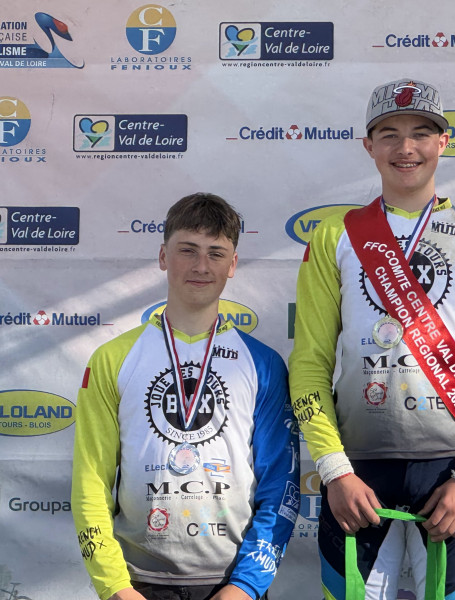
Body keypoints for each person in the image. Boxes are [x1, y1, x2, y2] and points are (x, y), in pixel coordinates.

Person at [289, 78, 455, 599]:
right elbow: (309, 365)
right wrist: (333, 470)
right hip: (356, 474)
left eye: (421, 133)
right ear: (368, 145)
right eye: (389, 134)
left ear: (443, 142)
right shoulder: (334, 236)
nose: (406, 147)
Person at [71, 193, 299, 600]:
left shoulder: (263, 363)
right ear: (163, 256)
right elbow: (91, 481)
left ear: (232, 265)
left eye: (215, 253)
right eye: (187, 250)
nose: (201, 266)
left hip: (232, 584)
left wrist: (246, 586)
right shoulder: (112, 358)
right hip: (137, 583)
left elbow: (280, 485)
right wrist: (115, 587)